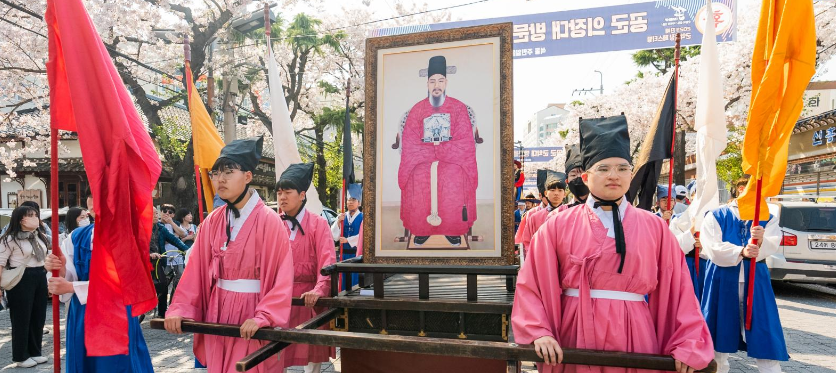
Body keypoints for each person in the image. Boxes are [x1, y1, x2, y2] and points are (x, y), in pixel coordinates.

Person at [512, 115, 713, 373]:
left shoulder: (654, 227)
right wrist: (539, 331)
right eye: (603, 169)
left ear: (631, 174)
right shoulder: (557, 225)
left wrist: (686, 341)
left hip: (635, 332)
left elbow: (679, 290)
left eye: (622, 168)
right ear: (585, 177)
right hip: (575, 331)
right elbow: (532, 285)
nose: (613, 176)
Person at [164, 136, 294, 373]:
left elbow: (282, 278)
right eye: (216, 172)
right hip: (218, 309)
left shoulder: (270, 221)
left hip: (252, 312)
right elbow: (196, 270)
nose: (220, 179)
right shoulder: (213, 220)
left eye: (229, 171)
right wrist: (180, 308)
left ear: (247, 176)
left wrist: (264, 316)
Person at [45, 189, 154, 373]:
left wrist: (71, 286)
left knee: (115, 365)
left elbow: (124, 283)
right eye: (92, 200)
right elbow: (68, 275)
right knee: (83, 363)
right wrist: (59, 268)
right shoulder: (77, 237)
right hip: (82, 314)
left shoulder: (128, 237)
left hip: (116, 314)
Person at [699, 178, 788, 373]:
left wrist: (761, 240)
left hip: (756, 281)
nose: (764, 197)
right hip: (722, 279)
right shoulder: (716, 215)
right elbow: (711, 246)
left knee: (764, 331)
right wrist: (741, 251)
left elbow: (773, 243)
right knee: (717, 335)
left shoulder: (768, 218)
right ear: (741, 189)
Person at [394, 55, 481, 247]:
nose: (436, 85)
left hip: (452, 163)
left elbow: (464, 142)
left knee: (452, 175)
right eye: (432, 81)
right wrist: (435, 150)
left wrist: (436, 149)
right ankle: (421, 230)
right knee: (418, 175)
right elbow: (410, 143)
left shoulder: (458, 108)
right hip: (421, 163)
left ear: (446, 82)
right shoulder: (417, 110)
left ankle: (453, 230)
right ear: (427, 83)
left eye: (440, 81)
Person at [277, 163, 337, 373]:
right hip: (280, 298)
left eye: (288, 192)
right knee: (275, 351)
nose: (282, 197)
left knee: (311, 357)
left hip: (308, 298)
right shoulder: (275, 224)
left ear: (302, 194)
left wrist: (319, 290)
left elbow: (327, 262)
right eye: (279, 192)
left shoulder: (318, 224)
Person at [0, 205, 49, 368]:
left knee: (38, 316)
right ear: (21, 219)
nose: (35, 217)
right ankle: (20, 356)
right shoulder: (9, 239)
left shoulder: (39, 236)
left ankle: (35, 352)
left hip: (40, 276)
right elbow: (0, 263)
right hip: (21, 278)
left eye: (36, 214)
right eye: (30, 215)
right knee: (21, 318)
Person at [669, 183, 707, 299]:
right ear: (691, 197)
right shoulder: (678, 219)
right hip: (686, 265)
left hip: (705, 266)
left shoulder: (715, 217)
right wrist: (691, 231)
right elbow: (674, 245)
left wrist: (704, 246)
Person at [149, 208, 189, 318]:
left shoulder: (161, 228)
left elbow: (174, 240)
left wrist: (187, 250)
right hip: (142, 263)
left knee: (163, 285)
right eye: (153, 214)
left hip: (157, 262)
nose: (156, 216)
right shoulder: (139, 228)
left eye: (156, 213)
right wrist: (148, 254)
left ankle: (162, 314)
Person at [518, 170, 566, 253]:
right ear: (546, 193)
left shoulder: (572, 215)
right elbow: (526, 242)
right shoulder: (534, 216)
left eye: (560, 190)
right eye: (553, 190)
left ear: (565, 194)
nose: (556, 194)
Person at [331, 184, 363, 290]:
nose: (350, 202)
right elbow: (334, 235)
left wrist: (348, 240)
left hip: (356, 254)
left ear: (359, 202)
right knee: (343, 281)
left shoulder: (363, 217)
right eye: (349, 199)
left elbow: (363, 235)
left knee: (354, 281)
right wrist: (339, 221)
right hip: (343, 254)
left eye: (353, 199)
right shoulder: (342, 216)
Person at [160, 204, 187, 299]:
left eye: (170, 212)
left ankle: (173, 302)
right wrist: (173, 237)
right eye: (164, 211)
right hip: (164, 258)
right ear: (161, 212)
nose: (167, 213)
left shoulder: (176, 223)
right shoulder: (158, 225)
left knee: (179, 282)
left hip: (177, 258)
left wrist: (171, 223)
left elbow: (183, 234)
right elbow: (162, 239)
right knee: (163, 283)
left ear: (173, 215)